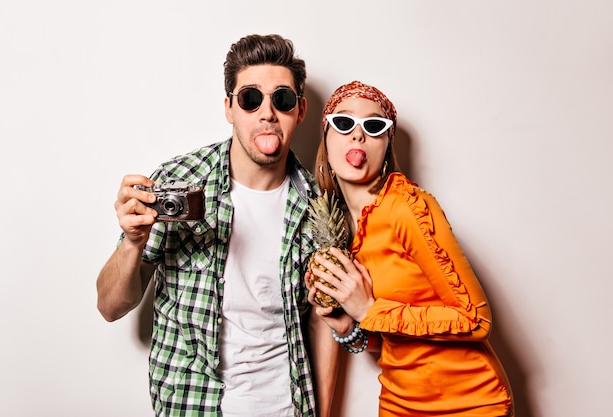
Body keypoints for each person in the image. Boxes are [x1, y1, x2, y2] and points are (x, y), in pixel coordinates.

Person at [96, 34, 339, 417]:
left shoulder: (319, 208)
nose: (267, 113)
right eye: (250, 98)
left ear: (301, 110)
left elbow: (322, 324)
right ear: (229, 108)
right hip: (192, 406)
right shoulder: (179, 180)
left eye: (282, 99)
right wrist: (132, 242)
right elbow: (110, 306)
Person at [306, 80, 514, 416]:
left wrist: (369, 310)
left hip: (471, 403)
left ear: (387, 144)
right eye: (343, 123)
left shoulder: (408, 207)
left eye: (374, 126)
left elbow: (476, 318)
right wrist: (347, 327)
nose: (357, 136)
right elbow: (397, 338)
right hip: (399, 403)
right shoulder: (349, 233)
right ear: (325, 138)